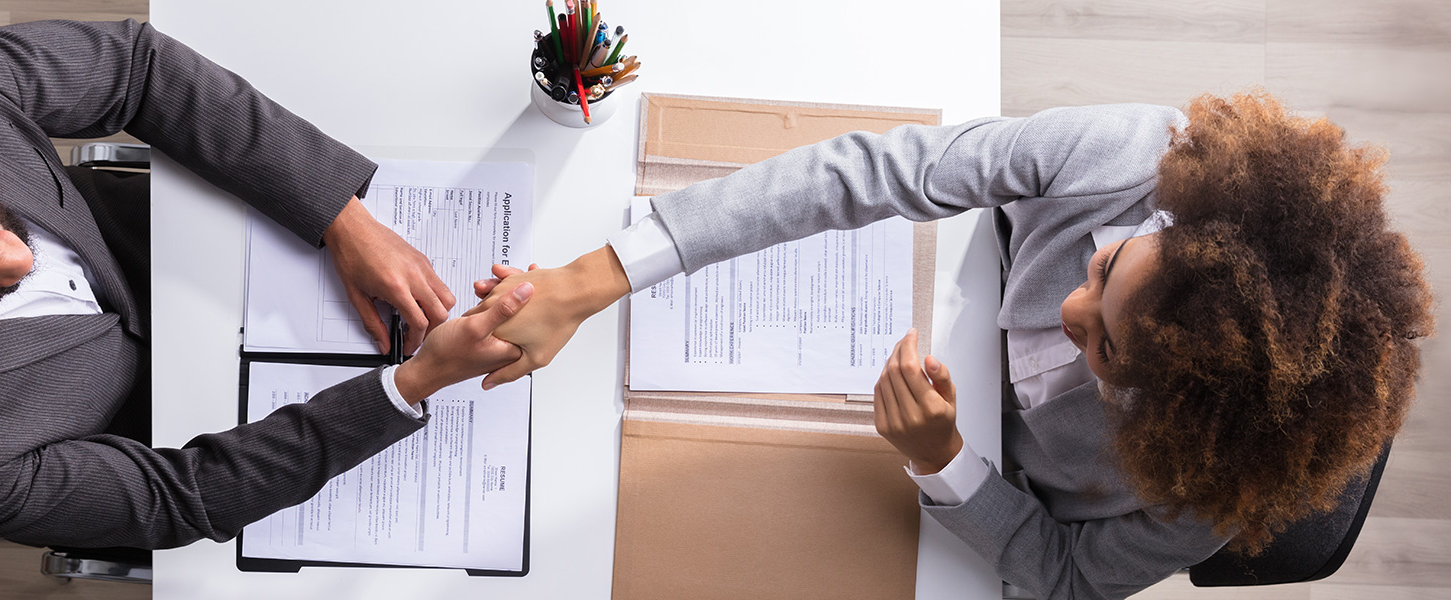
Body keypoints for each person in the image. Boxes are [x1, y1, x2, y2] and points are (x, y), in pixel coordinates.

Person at [465, 92, 1435, 599]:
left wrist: (947, 464)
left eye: (1104, 355)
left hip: (939, 503)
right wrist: (593, 279)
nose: (1067, 310)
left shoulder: (1207, 495)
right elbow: (883, 168)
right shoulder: (1141, 156)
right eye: (1104, 269)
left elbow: (1063, 579)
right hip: (921, 300)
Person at [0, 19, 533, 550]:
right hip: (169, 422)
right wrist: (411, 387)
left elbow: (135, 68)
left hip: (182, 237)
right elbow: (175, 498)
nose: (22, 259)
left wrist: (337, 214)